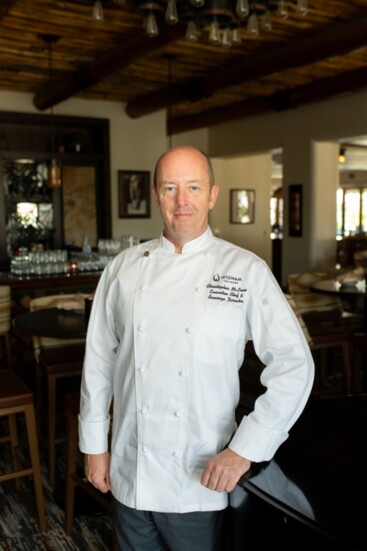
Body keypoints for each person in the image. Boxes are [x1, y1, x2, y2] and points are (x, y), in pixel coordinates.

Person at [78, 146, 314, 551]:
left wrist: (246, 450)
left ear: (212, 194)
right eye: (170, 188)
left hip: (199, 479)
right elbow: (99, 361)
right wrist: (94, 446)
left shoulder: (245, 271)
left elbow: (295, 365)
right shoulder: (122, 268)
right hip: (129, 467)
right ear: (156, 195)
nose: (181, 200)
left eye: (193, 187)